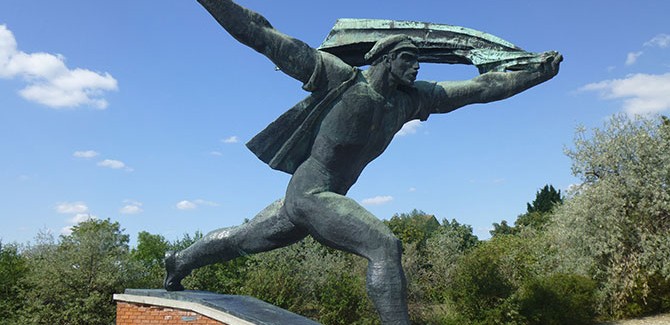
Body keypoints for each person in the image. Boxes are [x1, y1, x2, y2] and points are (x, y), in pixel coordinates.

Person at [165, 1, 562, 324]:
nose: (417, 66)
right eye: (408, 58)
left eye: (418, 59)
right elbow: (262, 34)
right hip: (311, 193)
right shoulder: (340, 78)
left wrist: (537, 75)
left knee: (240, 240)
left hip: (313, 201)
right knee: (384, 246)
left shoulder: (410, 101)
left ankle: (178, 260)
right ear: (385, 58)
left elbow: (481, 87)